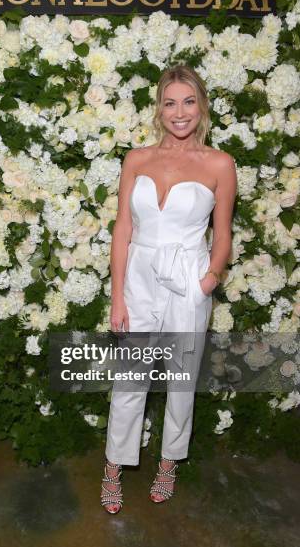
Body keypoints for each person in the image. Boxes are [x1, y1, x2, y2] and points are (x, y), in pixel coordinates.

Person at [100, 64, 237, 514]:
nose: (179, 112)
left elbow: (223, 235)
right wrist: (117, 295)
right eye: (170, 102)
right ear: (159, 109)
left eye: (188, 101)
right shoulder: (136, 159)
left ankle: (169, 462)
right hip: (138, 278)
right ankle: (114, 467)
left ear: (202, 106)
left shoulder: (220, 164)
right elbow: (123, 228)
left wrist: (207, 281)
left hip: (187, 282)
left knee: (180, 383)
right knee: (129, 380)